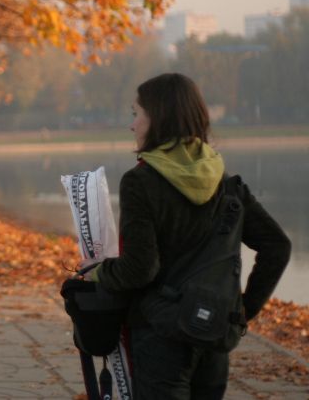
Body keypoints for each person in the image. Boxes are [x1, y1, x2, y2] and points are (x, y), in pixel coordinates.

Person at [89, 73, 291, 399]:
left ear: (159, 119)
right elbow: (277, 247)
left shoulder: (140, 182)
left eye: (136, 114)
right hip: (213, 333)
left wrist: (97, 271)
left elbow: (141, 268)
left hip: (160, 337)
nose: (132, 125)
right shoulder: (226, 183)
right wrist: (240, 313)